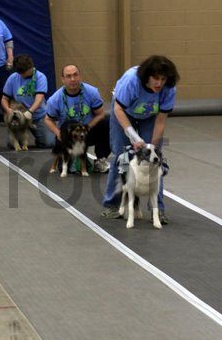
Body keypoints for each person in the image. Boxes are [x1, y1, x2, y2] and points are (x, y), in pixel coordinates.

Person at [101, 55, 180, 223]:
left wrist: (154, 147)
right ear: (147, 77)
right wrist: (134, 137)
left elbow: (161, 120)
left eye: (163, 79)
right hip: (123, 112)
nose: (159, 83)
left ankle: (157, 210)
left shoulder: (169, 89)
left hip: (150, 116)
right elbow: (118, 109)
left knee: (154, 157)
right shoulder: (131, 80)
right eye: (155, 78)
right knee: (121, 156)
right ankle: (111, 204)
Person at [45, 64, 110, 173]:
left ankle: (100, 159)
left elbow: (100, 114)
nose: (73, 79)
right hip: (69, 135)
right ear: (63, 79)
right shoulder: (55, 99)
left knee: (108, 122)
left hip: (88, 131)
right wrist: (58, 133)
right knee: (67, 170)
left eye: (75, 75)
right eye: (68, 76)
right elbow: (48, 119)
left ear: (80, 76)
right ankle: (69, 159)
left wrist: (88, 127)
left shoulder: (92, 92)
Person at [1, 54, 54, 148]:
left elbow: (39, 99)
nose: (24, 74)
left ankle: (40, 136)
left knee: (49, 143)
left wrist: (30, 112)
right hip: (18, 117)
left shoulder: (40, 77)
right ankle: (21, 138)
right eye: (21, 73)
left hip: (37, 116)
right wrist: (8, 110)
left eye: (26, 71)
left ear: (31, 67)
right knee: (12, 145)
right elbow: (4, 99)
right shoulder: (13, 78)